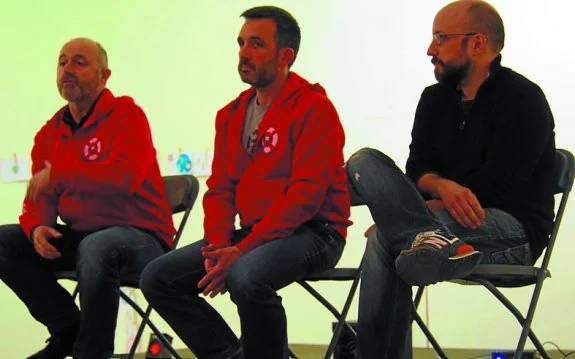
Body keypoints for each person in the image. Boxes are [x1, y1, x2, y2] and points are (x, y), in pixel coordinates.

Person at [346, 1, 556, 357]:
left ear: (477, 44)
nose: (430, 49)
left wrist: (416, 214)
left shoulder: (524, 99)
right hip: (445, 223)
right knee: (363, 161)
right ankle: (424, 235)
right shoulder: (434, 99)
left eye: (440, 38)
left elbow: (503, 185)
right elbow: (417, 169)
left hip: (513, 229)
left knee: (387, 236)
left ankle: (415, 233)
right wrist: (441, 188)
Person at [140, 5, 351, 359]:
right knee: (157, 278)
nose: (243, 53)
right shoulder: (230, 114)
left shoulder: (314, 108)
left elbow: (306, 195)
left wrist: (242, 251)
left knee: (246, 275)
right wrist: (219, 248)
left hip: (317, 231)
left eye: (256, 44)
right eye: (240, 43)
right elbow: (220, 189)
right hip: (251, 235)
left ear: (286, 55)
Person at [0, 38, 175, 359]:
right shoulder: (49, 133)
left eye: (79, 62)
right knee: (4, 240)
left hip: (142, 238)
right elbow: (40, 197)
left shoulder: (127, 115)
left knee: (98, 247)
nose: (68, 69)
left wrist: (61, 174)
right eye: (62, 61)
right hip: (86, 240)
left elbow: (125, 177)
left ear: (104, 75)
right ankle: (68, 328)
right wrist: (38, 226)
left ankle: (90, 353)